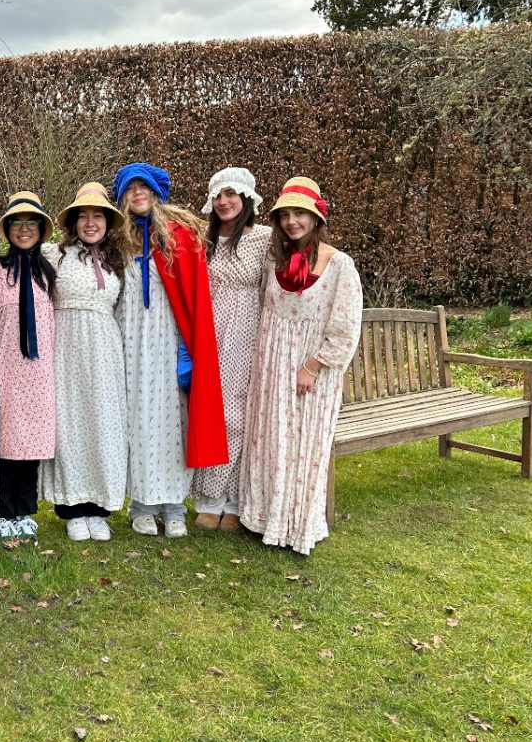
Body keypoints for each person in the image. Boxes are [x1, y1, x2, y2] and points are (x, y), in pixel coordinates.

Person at [239, 177, 362, 555]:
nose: (292, 221)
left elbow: (344, 327)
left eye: (300, 214)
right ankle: (263, 518)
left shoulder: (339, 265)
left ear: (315, 217)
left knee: (304, 443)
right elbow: (265, 310)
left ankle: (296, 523)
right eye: (286, 215)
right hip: (272, 363)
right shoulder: (272, 260)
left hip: (311, 369)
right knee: (270, 440)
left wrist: (312, 366)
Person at [112, 163, 228, 539]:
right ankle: (142, 504)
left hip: (167, 340)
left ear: (157, 191)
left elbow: (193, 297)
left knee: (172, 421)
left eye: (144, 187)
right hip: (129, 340)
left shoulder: (181, 235)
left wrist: (188, 349)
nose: (138, 193)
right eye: (131, 188)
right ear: (123, 196)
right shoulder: (116, 236)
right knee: (136, 421)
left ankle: (175, 505)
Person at [39, 183, 129, 542]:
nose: (91, 223)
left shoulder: (117, 262)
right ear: (73, 222)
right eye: (84, 216)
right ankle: (73, 509)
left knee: (103, 424)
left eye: (98, 216)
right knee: (71, 423)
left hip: (105, 350)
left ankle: (98, 508)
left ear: (107, 221)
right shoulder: (54, 255)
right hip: (67, 348)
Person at [190, 167, 272, 531]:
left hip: (245, 336)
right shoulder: (201, 240)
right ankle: (208, 498)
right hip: (208, 335)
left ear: (246, 198)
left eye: (231, 194)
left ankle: (236, 501)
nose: (224, 202)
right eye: (218, 195)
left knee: (239, 418)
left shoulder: (265, 239)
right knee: (210, 415)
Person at [0, 191, 57, 544]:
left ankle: (26, 512)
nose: (24, 230)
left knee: (30, 447)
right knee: (4, 444)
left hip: (40, 373)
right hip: (6, 368)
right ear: (8, 229)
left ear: (41, 229)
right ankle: (1, 514)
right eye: (17, 223)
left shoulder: (50, 271)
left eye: (31, 223)